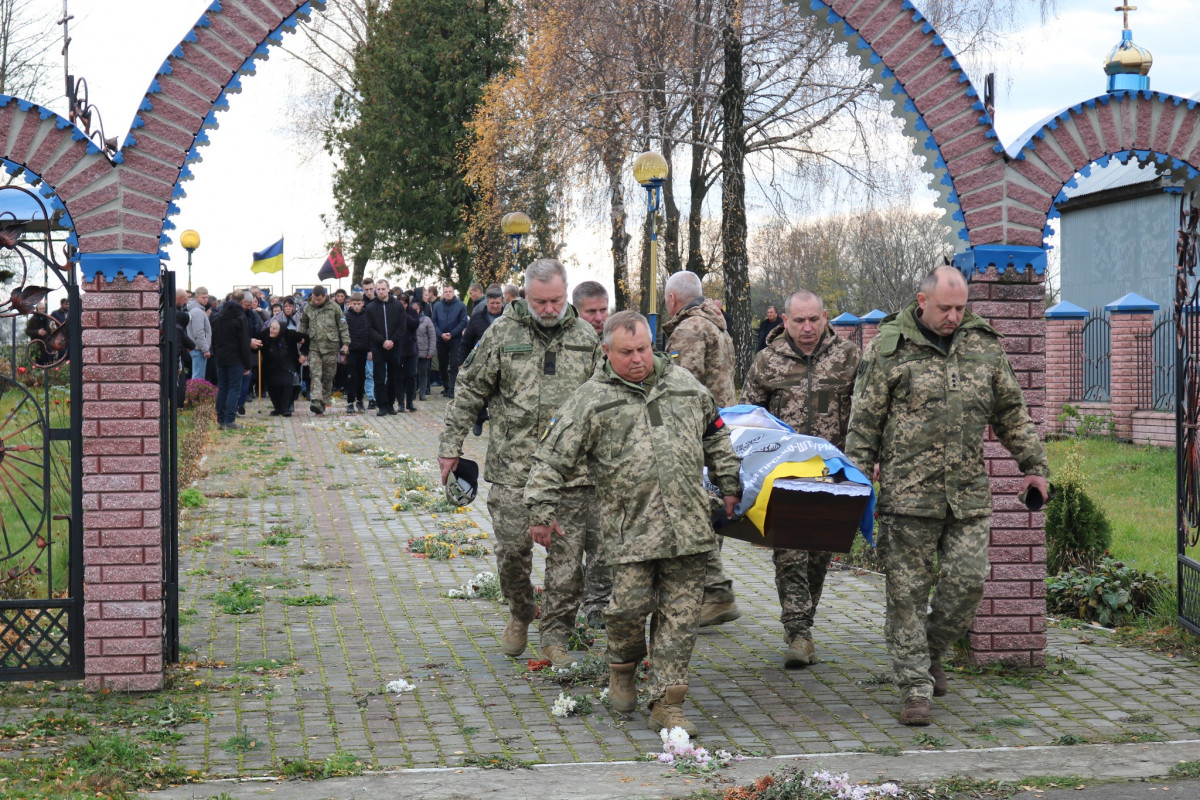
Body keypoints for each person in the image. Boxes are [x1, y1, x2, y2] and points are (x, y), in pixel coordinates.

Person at [844, 266, 1049, 727]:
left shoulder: (984, 346)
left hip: (968, 497)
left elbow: (1012, 412)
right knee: (907, 598)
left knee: (967, 585)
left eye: (960, 308)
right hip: (907, 499)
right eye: (945, 308)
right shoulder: (888, 350)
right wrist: (856, 484)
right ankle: (915, 687)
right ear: (922, 301)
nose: (954, 316)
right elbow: (864, 426)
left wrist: (1034, 467)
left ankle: (933, 651)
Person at [525, 311, 741, 734]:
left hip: (689, 528)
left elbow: (715, 433)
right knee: (625, 611)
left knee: (680, 617)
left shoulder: (683, 384)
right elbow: (551, 458)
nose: (638, 358)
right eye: (627, 352)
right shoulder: (590, 399)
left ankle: (668, 701)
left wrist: (728, 481)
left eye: (644, 348)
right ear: (607, 351)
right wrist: (540, 512)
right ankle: (622, 667)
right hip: (630, 532)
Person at [437, 258, 602, 668]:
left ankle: (556, 636)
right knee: (512, 552)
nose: (548, 309)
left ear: (567, 295)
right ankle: (521, 610)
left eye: (556, 301)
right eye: (539, 301)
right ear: (525, 295)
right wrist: (450, 444)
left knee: (567, 562)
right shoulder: (501, 334)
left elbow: (607, 401)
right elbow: (470, 390)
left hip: (572, 472)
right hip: (514, 468)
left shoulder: (586, 338)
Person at [741, 290, 860, 668]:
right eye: (799, 321)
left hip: (832, 475)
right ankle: (798, 633)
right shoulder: (767, 362)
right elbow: (749, 420)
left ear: (825, 317)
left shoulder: (849, 358)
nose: (807, 328)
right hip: (785, 476)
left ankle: (804, 619)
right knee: (789, 552)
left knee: (819, 554)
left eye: (814, 320)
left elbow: (867, 411)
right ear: (785, 322)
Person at [661, 270, 740, 628]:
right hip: (720, 430)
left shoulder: (690, 329)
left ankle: (716, 592)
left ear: (673, 299)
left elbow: (679, 387)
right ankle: (708, 595)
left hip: (697, 434)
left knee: (691, 513)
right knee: (706, 511)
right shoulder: (716, 325)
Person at [569, 279, 613, 626]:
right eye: (591, 312)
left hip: (606, 458)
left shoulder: (618, 344)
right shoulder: (570, 346)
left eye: (603, 310)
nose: (599, 318)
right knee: (570, 541)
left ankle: (597, 603)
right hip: (570, 459)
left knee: (602, 536)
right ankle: (569, 600)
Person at [458, 284, 505, 435]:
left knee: (501, 395)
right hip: (482, 363)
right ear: (487, 303)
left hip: (504, 362)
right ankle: (480, 417)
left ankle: (500, 426)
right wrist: (461, 362)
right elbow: (467, 341)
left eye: (498, 303)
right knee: (481, 394)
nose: (495, 306)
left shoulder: (508, 319)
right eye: (493, 303)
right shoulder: (477, 318)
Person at [297, 285, 349, 415]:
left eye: (319, 299)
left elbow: (343, 326)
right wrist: (300, 336)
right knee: (315, 374)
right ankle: (315, 400)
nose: (316, 302)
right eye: (314, 299)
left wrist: (346, 344)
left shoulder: (334, 307)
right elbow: (303, 323)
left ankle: (324, 401)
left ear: (325, 296)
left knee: (328, 376)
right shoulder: (308, 307)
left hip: (331, 347)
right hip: (314, 347)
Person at [210, 290, 253, 430]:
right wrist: (247, 363)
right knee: (234, 388)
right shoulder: (240, 317)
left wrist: (216, 355)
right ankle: (230, 420)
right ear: (241, 302)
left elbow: (213, 339)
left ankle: (221, 420)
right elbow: (244, 342)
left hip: (221, 358)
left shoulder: (217, 316)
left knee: (222, 388)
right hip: (236, 359)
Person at [365, 277, 407, 415]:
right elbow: (369, 328)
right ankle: (381, 405)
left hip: (395, 346)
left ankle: (390, 404)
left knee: (393, 376)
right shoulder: (371, 307)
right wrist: (382, 341)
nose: (381, 291)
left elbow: (402, 326)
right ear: (376, 290)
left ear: (388, 289)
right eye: (379, 289)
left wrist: (392, 341)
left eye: (384, 289)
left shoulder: (398, 305)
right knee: (379, 376)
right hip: (378, 346)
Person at [254, 320, 306, 416]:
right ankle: (278, 408)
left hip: (287, 363)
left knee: (287, 383)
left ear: (280, 330)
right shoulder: (265, 333)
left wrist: (303, 354)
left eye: (274, 329)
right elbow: (254, 342)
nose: (271, 330)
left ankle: (285, 408)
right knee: (272, 386)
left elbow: (305, 339)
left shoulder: (289, 334)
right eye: (271, 328)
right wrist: (256, 345)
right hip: (270, 365)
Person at [432, 285, 468, 398]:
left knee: (454, 365)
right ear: (443, 293)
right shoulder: (437, 306)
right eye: (446, 292)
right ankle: (446, 386)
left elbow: (463, 321)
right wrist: (440, 334)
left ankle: (452, 389)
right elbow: (434, 321)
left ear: (453, 292)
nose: (448, 293)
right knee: (442, 365)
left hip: (455, 339)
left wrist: (452, 334)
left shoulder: (461, 305)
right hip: (441, 339)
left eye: (450, 291)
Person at [343, 292, 370, 413]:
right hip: (351, 350)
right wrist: (343, 351)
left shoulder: (368, 316)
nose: (357, 306)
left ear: (363, 303)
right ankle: (350, 402)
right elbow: (342, 334)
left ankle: (359, 400)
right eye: (354, 304)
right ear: (350, 304)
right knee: (351, 376)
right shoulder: (347, 316)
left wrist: (371, 350)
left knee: (361, 376)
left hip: (363, 349)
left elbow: (371, 333)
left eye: (359, 304)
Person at [186, 287, 212, 383]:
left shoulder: (197, 310)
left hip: (198, 348)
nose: (206, 300)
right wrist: (205, 349)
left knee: (198, 376)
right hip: (199, 349)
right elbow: (198, 332)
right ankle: (194, 398)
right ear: (197, 297)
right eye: (203, 297)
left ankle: (195, 397)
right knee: (198, 377)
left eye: (207, 297)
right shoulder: (197, 311)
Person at [414, 297, 436, 401]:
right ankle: (412, 393)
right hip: (412, 352)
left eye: (416, 309)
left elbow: (432, 336)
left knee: (423, 374)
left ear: (420, 310)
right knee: (413, 374)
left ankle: (422, 393)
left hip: (424, 352)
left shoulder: (426, 320)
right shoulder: (406, 319)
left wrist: (431, 351)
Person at [361, 278, 377, 408]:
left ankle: (381, 395)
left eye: (371, 289)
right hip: (367, 343)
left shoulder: (380, 302)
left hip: (382, 342)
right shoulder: (361, 304)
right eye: (366, 290)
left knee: (383, 373)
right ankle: (371, 398)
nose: (369, 292)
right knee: (369, 373)